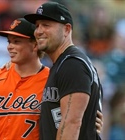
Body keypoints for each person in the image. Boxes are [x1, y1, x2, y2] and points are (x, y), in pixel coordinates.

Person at [24, 1, 103, 140]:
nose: (39, 31)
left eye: (46, 25)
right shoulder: (63, 64)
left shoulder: (72, 64)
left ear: (67, 29)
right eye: (37, 26)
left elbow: (72, 124)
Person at [0, 18, 49, 140]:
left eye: (17, 42)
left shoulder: (51, 80)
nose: (9, 47)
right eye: (9, 42)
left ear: (35, 45)